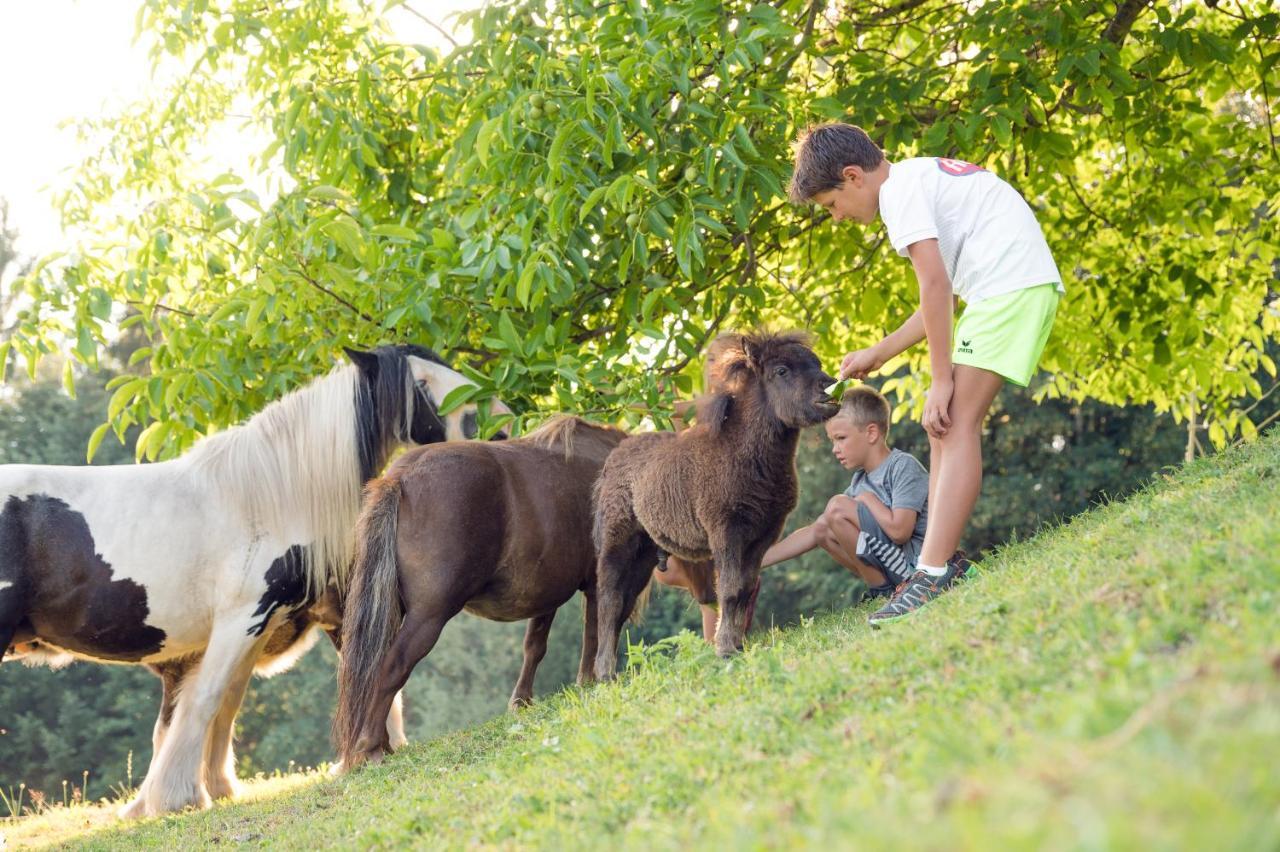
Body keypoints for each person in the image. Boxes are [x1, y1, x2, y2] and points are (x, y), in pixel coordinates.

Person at [788, 122, 1063, 624]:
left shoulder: (899, 196)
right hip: (1009, 286)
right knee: (945, 431)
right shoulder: (914, 180)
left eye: (830, 205)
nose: (835, 218)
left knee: (953, 423)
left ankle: (932, 574)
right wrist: (879, 352)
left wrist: (941, 380)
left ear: (853, 177)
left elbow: (935, 288)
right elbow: (944, 294)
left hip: (1009, 288)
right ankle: (936, 565)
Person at [759, 386, 928, 603]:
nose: (835, 449)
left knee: (837, 507)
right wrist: (755, 561)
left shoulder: (902, 466)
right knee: (822, 527)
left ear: (871, 433)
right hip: (895, 566)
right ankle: (884, 592)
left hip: (917, 567)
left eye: (841, 438)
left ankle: (884, 591)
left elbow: (900, 531)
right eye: (832, 441)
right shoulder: (860, 481)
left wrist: (868, 500)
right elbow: (814, 532)